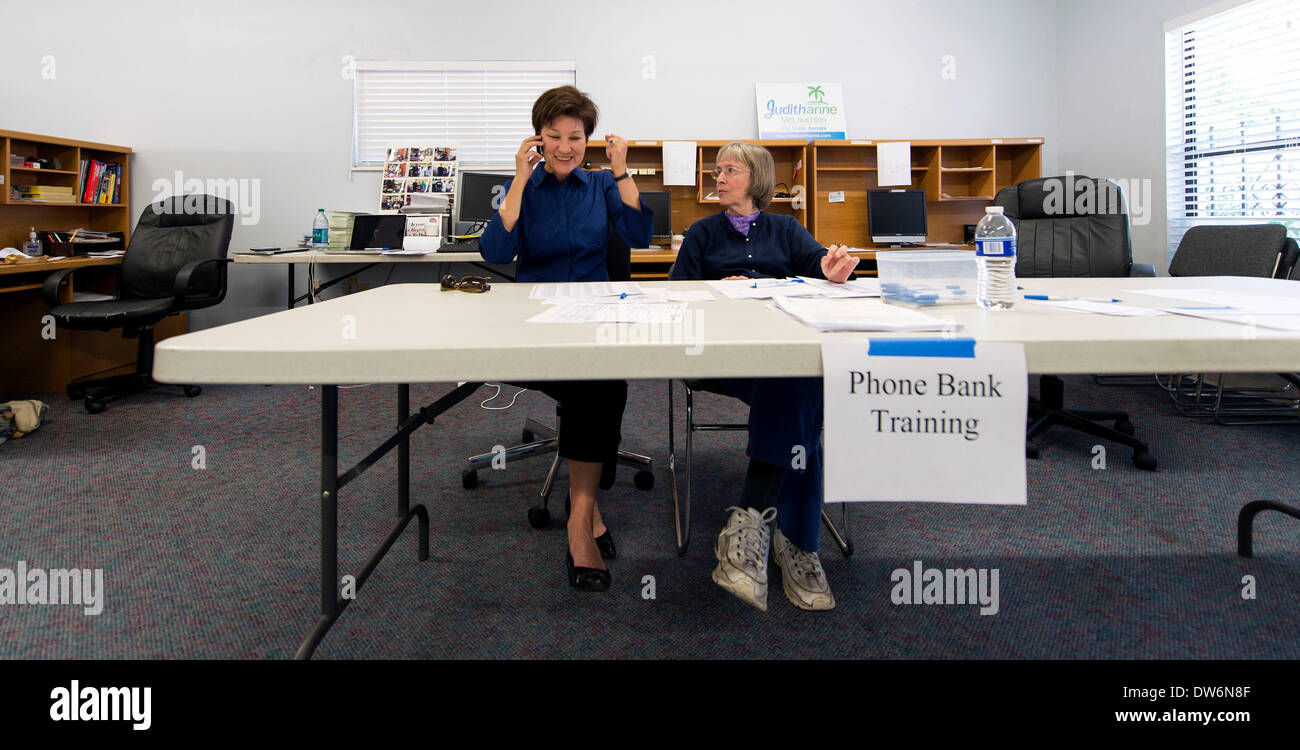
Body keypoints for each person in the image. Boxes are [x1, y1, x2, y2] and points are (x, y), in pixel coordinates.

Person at [669, 141, 858, 612]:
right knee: (800, 396)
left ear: (755, 177)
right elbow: (676, 297)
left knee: (793, 382)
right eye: (716, 171)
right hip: (723, 359)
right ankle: (797, 545)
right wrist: (713, 291)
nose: (718, 177)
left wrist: (832, 270)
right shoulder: (702, 234)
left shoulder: (786, 229)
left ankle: (752, 531)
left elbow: (818, 266)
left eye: (729, 170)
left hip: (779, 358)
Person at [480, 85, 652, 592]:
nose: (564, 146)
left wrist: (621, 169)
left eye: (574, 137)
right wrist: (518, 178)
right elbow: (495, 249)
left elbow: (641, 236)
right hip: (535, 330)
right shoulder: (524, 191)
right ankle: (585, 519)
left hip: (594, 323)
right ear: (538, 138)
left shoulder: (601, 186)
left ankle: (581, 514)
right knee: (599, 386)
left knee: (597, 382)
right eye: (553, 136)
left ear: (587, 141)